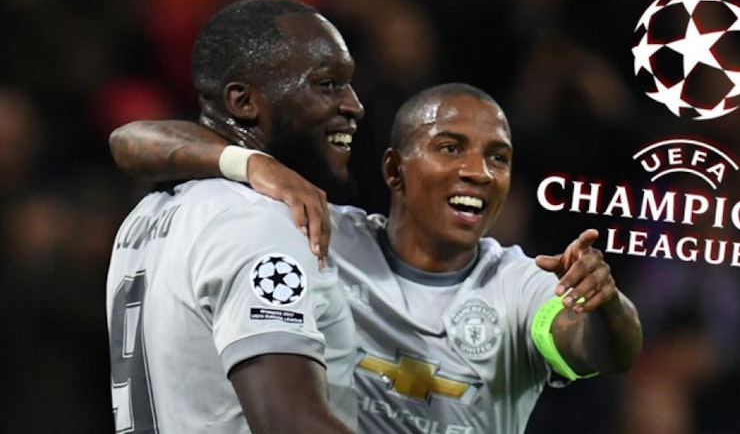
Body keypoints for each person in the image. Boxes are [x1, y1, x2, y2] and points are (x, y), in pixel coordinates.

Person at [110, 83, 643, 433]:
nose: (478, 172)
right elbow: (132, 141)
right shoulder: (318, 232)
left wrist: (605, 306)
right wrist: (248, 163)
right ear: (394, 170)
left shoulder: (519, 283)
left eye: (497, 158)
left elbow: (601, 349)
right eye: (450, 148)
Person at [105, 0, 362, 433]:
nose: (354, 104)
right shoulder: (258, 221)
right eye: (327, 84)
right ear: (243, 102)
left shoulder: (146, 217)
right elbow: (287, 423)